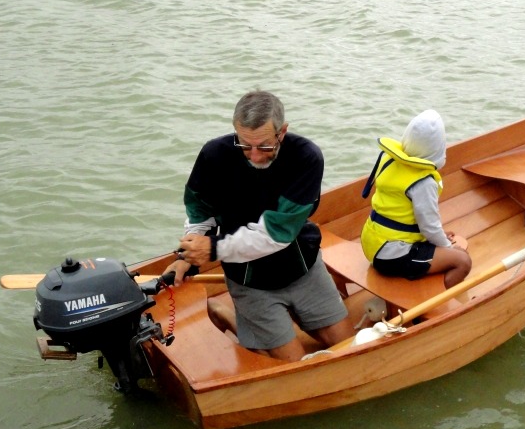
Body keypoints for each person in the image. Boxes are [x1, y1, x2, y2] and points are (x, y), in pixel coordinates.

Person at [166, 90, 354, 361]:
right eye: (244, 146)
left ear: (283, 131)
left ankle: (255, 324)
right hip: (250, 281)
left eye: (265, 146)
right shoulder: (213, 155)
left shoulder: (306, 157)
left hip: (302, 269)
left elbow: (277, 234)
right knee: (292, 365)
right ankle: (229, 314)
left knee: (348, 347)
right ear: (235, 132)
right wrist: (186, 256)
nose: (254, 156)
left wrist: (212, 249)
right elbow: (200, 214)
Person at [359, 109, 472, 288]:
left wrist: (438, 238)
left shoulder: (390, 160)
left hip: (371, 243)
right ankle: (434, 304)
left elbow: (401, 213)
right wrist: (447, 248)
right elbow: (429, 227)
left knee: (440, 243)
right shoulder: (423, 182)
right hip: (391, 255)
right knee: (463, 260)